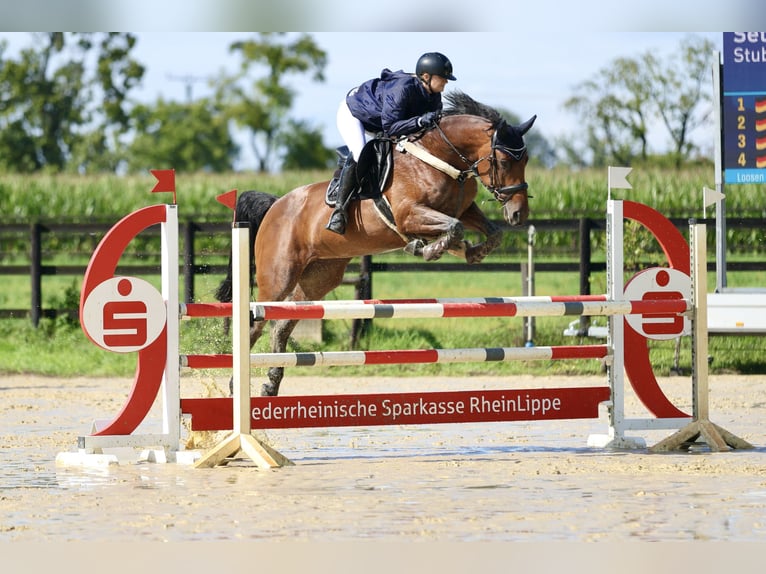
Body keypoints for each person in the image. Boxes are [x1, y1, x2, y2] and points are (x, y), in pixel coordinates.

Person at [326, 52, 457, 235]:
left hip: (383, 121)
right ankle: (339, 211)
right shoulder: (402, 89)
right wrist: (419, 121)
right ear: (426, 76)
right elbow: (390, 127)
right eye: (442, 78)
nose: (446, 82)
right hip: (355, 114)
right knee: (360, 152)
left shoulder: (434, 96)